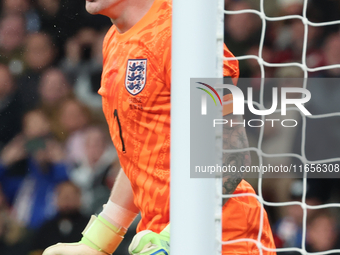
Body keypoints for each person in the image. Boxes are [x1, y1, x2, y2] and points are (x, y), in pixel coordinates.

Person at [43, 0, 276, 255]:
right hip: (157, 235)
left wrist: (180, 235)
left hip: (223, 233)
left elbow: (231, 155)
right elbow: (139, 155)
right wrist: (97, 243)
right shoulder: (113, 40)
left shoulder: (184, 33)